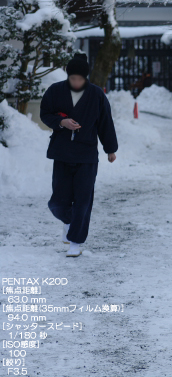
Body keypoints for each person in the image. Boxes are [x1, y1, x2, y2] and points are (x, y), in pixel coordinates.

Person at [40, 52, 118, 258]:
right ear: (67, 75)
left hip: (87, 155)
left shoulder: (96, 94)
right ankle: (69, 221)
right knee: (57, 202)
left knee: (83, 200)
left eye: (80, 79)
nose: (76, 82)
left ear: (86, 78)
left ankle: (75, 241)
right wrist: (61, 122)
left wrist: (110, 149)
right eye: (72, 78)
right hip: (62, 153)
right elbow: (45, 113)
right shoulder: (55, 91)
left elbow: (105, 123)